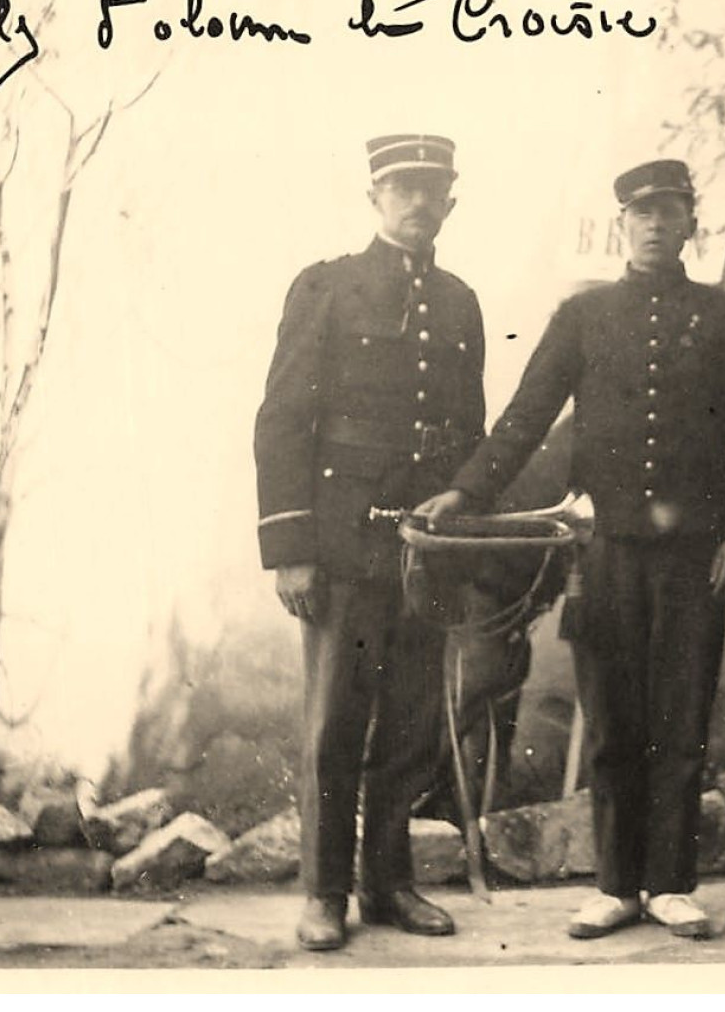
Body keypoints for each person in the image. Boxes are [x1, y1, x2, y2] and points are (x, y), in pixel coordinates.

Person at [416, 159, 725, 940]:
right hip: (605, 551)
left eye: (668, 210)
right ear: (622, 225)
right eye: (639, 212)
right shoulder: (584, 316)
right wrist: (468, 492)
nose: (652, 224)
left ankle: (671, 883)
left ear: (689, 224)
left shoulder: (722, 317)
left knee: (679, 718)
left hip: (695, 558)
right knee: (612, 719)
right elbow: (526, 413)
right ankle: (614, 884)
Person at [253, 133, 485, 951]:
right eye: (401, 187)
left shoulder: (460, 302)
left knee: (412, 723)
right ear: (374, 198)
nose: (417, 202)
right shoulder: (326, 287)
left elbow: (469, 432)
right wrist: (290, 546)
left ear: (450, 202)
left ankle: (390, 883)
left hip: (427, 545)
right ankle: (325, 891)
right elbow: (283, 418)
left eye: (432, 189)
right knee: (335, 724)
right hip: (346, 541)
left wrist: (463, 537)